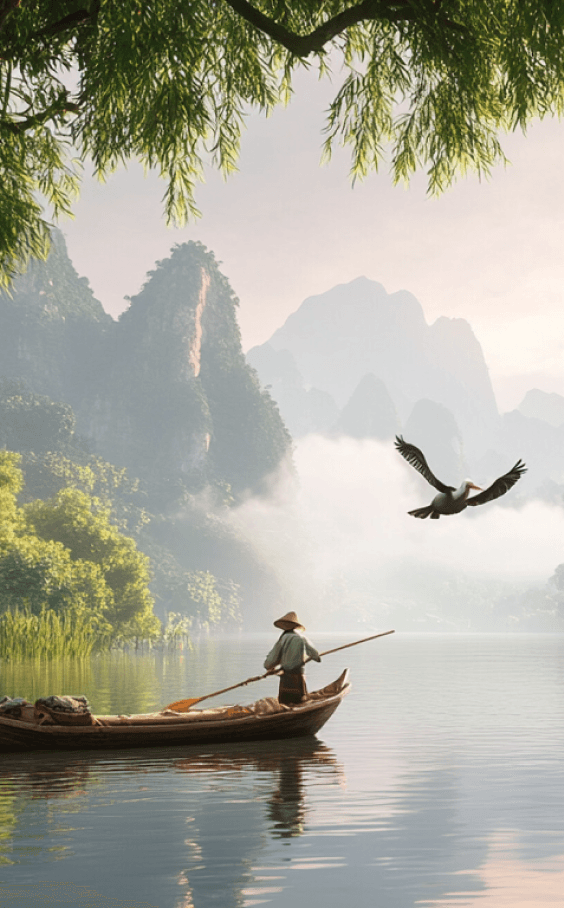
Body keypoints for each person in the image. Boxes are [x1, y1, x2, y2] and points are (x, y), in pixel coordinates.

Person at [264, 612, 321, 705]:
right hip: (299, 678)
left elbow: (270, 661)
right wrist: (315, 657)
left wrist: (270, 668)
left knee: (284, 704)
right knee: (301, 702)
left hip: (286, 679)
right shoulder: (302, 637)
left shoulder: (283, 638)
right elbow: (316, 656)